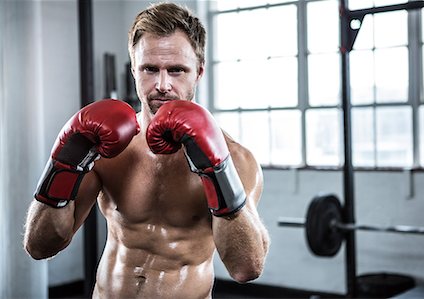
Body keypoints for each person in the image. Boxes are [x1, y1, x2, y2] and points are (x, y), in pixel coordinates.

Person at [23, 2, 270, 298]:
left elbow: (246, 268)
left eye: (177, 70)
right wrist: (63, 164)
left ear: (199, 72)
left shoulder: (236, 159)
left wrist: (217, 171)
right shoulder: (106, 148)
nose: (162, 84)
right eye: (150, 69)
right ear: (134, 70)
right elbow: (40, 246)